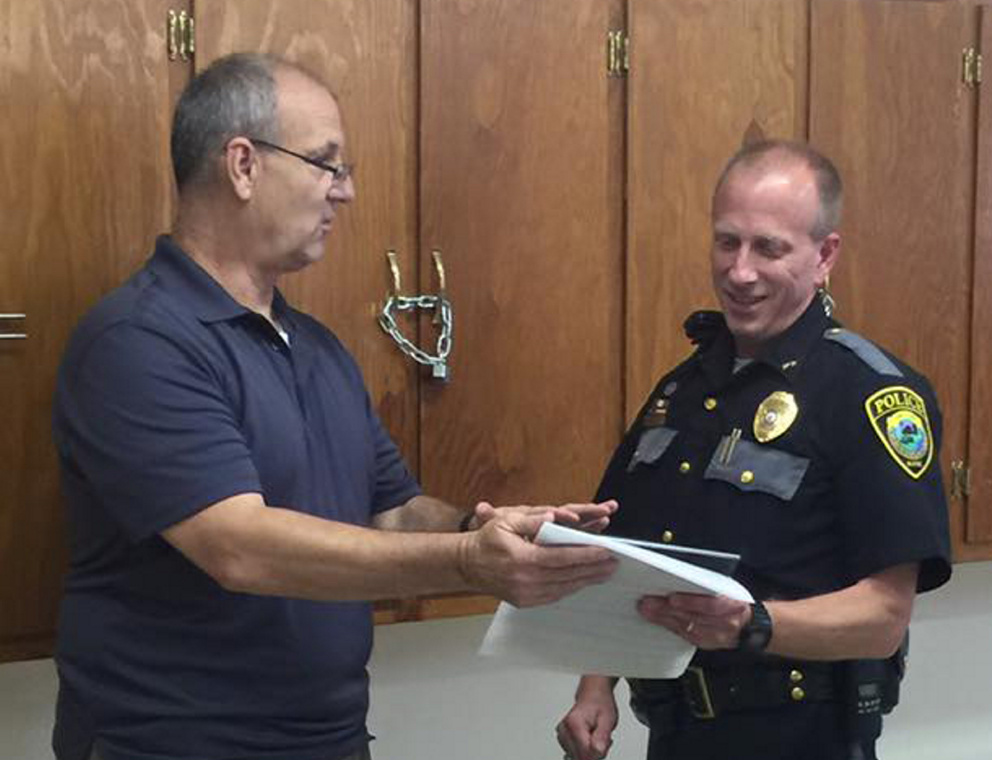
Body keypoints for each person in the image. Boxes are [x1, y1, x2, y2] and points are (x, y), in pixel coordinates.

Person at [51, 53, 619, 760]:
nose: (344, 192)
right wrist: (468, 561)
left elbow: (390, 507)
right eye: (327, 163)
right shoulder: (138, 341)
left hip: (327, 740)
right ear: (242, 165)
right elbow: (237, 547)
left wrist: (489, 525)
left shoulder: (315, 347)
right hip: (173, 744)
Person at [556, 140, 951, 760]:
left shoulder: (870, 393)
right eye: (726, 242)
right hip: (677, 734)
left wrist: (750, 624)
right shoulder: (683, 391)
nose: (740, 272)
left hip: (804, 739)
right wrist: (595, 685)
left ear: (824, 256)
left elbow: (884, 616)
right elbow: (626, 552)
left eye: (769, 248)